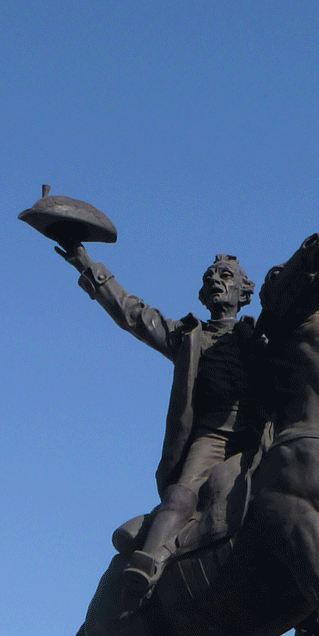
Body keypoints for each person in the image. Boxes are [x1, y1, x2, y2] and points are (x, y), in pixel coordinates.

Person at [60, 244, 265, 603]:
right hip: (213, 438)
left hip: (261, 436)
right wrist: (86, 263)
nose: (216, 280)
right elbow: (132, 314)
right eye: (210, 278)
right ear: (203, 294)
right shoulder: (188, 337)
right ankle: (148, 562)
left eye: (226, 276)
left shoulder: (257, 338)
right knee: (182, 495)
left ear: (245, 292)